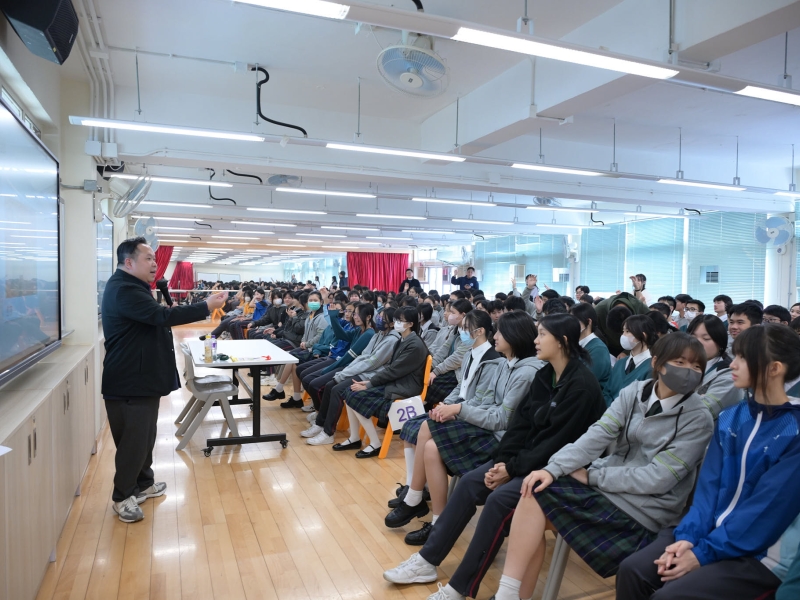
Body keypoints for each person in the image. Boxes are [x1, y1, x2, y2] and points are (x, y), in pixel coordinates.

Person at [382, 313, 606, 597]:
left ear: (561, 341)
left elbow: (555, 443)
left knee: (498, 500)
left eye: (542, 335)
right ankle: (427, 561)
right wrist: (502, 462)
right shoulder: (546, 375)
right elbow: (520, 426)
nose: (536, 341)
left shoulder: (581, 385)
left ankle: (457, 588)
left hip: (559, 470)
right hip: (527, 459)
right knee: (469, 483)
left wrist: (511, 469)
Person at [487, 333, 714, 600]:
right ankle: (510, 594)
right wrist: (552, 469)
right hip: (610, 490)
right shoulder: (635, 392)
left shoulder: (699, 418)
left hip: (646, 510)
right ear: (657, 363)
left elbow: (658, 478)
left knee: (534, 506)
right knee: (533, 492)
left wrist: (594, 476)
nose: (689, 372)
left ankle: (508, 595)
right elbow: (598, 434)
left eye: (696, 366)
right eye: (680, 362)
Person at [616, 324, 800, 600]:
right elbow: (708, 489)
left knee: (669, 596)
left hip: (761, 553)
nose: (733, 364)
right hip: (708, 534)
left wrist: (702, 554)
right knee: (632, 570)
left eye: (743, 358)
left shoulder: (794, 429)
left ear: (774, 368)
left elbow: (768, 510)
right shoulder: (731, 418)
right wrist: (688, 538)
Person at [102, 237, 227, 523]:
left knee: (145, 435)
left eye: (154, 259)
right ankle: (123, 496)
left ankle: (143, 483)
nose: (154, 264)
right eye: (148, 258)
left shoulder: (134, 286)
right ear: (129, 262)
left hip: (142, 377)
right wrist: (205, 306)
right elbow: (161, 316)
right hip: (130, 378)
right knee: (133, 440)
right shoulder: (124, 289)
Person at [385, 310, 505, 538]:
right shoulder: (469, 354)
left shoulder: (494, 361)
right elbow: (461, 387)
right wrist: (445, 404)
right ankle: (416, 491)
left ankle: (415, 497)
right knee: (412, 426)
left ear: (480, 331)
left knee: (425, 428)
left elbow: (481, 402)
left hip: (474, 420)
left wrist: (453, 411)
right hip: (460, 410)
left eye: (465, 328)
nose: (461, 331)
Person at [343, 306, 429, 458]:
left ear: (410, 324)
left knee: (356, 396)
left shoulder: (414, 345)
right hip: (396, 381)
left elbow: (394, 371)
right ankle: (354, 437)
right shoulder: (402, 340)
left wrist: (369, 384)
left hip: (405, 386)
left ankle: (375, 443)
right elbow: (391, 369)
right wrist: (369, 381)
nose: (396, 323)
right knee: (350, 390)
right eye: (395, 320)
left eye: (400, 320)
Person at [686, 314, 743, 419]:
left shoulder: (730, 375)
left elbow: (701, 412)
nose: (697, 343)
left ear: (720, 342)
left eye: (706, 338)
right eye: (693, 337)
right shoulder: (683, 364)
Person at [603, 314, 657, 406]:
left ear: (643, 336)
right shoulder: (620, 363)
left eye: (627, 331)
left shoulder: (651, 368)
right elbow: (606, 391)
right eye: (623, 331)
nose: (623, 336)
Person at [594, 291, 650, 356]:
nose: (623, 335)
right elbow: (595, 335)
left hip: (635, 348)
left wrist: (627, 352)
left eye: (627, 331)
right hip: (607, 348)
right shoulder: (599, 311)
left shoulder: (642, 310)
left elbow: (651, 337)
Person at [570, 302, 612, 389]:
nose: (570, 325)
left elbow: (584, 380)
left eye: (574, 321)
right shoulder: (574, 344)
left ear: (588, 322)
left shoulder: (598, 349)